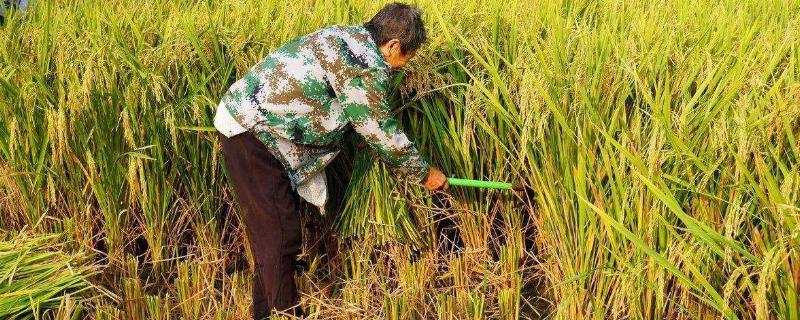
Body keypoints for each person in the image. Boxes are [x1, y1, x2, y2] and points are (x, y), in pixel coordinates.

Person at [214, 3, 448, 318]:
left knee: (273, 236)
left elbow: (332, 98)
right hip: (252, 134)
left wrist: (355, 135)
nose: (401, 67)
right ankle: (284, 315)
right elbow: (379, 127)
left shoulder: (346, 35)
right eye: (405, 57)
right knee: (281, 237)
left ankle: (266, 314)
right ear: (392, 45)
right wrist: (423, 173)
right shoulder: (366, 62)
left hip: (258, 129)